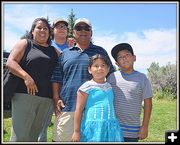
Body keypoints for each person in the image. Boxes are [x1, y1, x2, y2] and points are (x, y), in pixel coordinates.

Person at [51, 18, 115, 142]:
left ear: (91, 33)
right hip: (68, 106)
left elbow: (111, 75)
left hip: (94, 110)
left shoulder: (100, 52)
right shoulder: (65, 53)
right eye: (79, 28)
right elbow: (56, 78)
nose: (83, 31)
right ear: (73, 32)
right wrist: (56, 98)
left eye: (86, 28)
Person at [6, 17, 59, 142]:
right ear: (32, 31)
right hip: (24, 96)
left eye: (45, 28)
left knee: (35, 136)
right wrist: (26, 77)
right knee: (20, 136)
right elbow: (10, 62)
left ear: (49, 33)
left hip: (46, 99)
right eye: (39, 27)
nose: (42, 30)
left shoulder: (54, 51)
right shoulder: (25, 43)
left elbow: (65, 62)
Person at [72, 54, 124, 142]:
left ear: (108, 69)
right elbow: (79, 110)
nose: (100, 68)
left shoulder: (109, 86)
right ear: (89, 69)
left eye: (103, 65)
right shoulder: (86, 87)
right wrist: (76, 131)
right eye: (96, 66)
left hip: (111, 127)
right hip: (93, 128)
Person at [38, 18, 75, 142]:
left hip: (65, 91)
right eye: (58, 26)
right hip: (46, 89)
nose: (62, 29)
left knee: (63, 122)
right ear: (53, 30)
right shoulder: (47, 44)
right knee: (42, 123)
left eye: (64, 27)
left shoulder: (73, 46)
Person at [107, 43, 153, 142]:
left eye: (127, 55)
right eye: (120, 57)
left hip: (133, 129)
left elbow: (148, 103)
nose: (124, 58)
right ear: (117, 63)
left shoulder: (142, 78)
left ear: (134, 58)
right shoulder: (112, 77)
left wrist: (144, 126)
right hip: (113, 127)